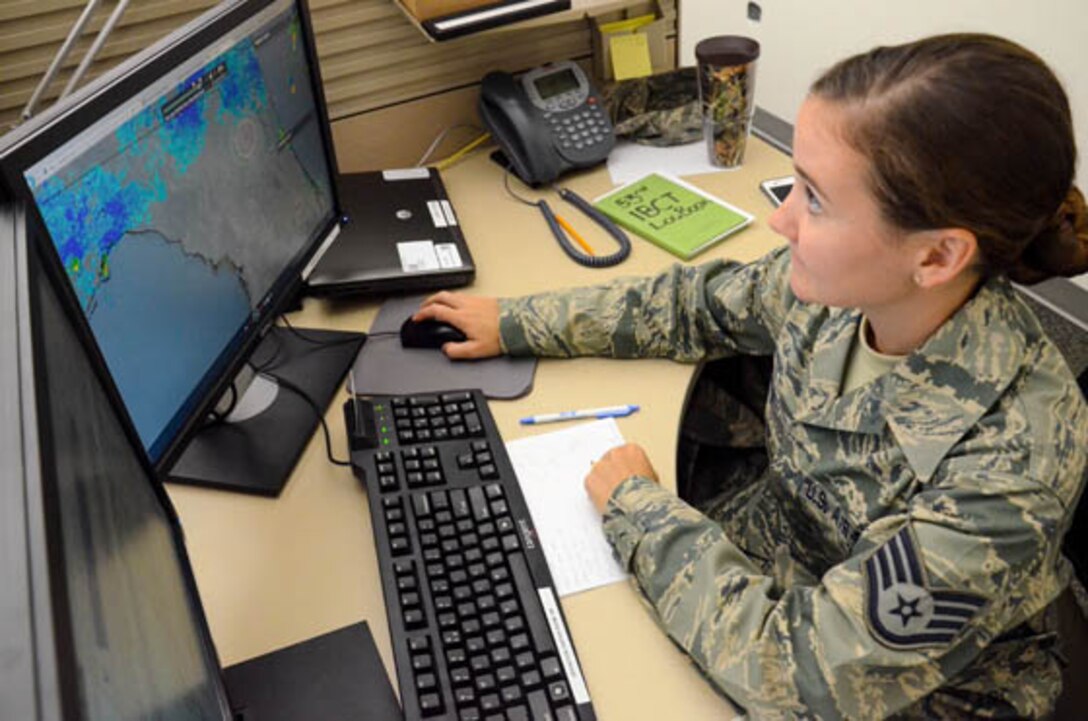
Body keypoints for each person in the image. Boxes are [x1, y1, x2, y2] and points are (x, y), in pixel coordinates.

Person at [413, 34, 1088, 719]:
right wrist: (517, 322)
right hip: (782, 550)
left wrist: (639, 510)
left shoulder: (1012, 459)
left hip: (918, 691)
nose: (780, 217)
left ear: (939, 255)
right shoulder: (840, 288)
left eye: (816, 200)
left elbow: (800, 678)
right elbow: (692, 307)